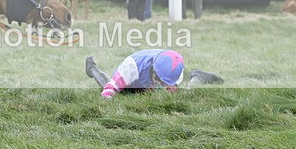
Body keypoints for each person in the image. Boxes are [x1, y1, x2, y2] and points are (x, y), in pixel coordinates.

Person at [84, 50, 222, 99]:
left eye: (164, 82)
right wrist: (106, 97)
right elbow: (111, 86)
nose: (160, 84)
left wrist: (170, 89)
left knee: (185, 93)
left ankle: (198, 77)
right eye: (158, 79)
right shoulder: (131, 66)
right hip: (134, 82)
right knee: (116, 92)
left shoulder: (174, 67)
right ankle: (92, 68)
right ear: (153, 69)